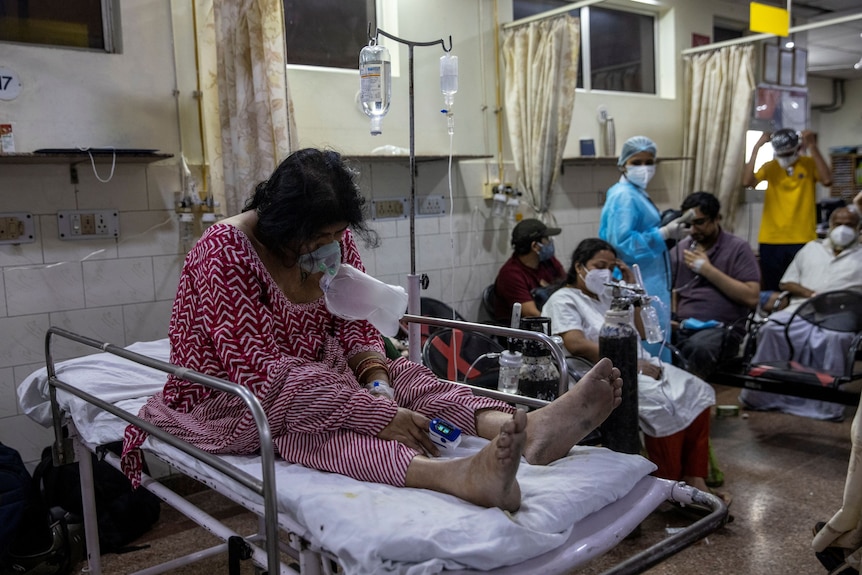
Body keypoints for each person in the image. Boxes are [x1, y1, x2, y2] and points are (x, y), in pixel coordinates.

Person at [120, 148, 624, 513]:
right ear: (283, 226)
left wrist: (377, 380)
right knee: (304, 428)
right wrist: (374, 416)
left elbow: (356, 323)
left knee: (411, 377)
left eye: (339, 235)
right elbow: (265, 379)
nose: (333, 249)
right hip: (230, 395)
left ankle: (529, 431)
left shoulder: (332, 239)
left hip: (320, 370)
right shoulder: (223, 253)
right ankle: (456, 475)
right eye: (320, 238)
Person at [542, 238, 718, 495]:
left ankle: (694, 476)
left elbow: (645, 332)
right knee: (663, 404)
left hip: (642, 364)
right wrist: (630, 364)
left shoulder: (609, 296)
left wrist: (633, 289)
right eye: (599, 265)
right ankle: (666, 487)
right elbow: (576, 344)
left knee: (697, 391)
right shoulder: (563, 300)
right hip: (603, 374)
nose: (605, 272)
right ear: (580, 267)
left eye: (610, 266)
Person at [739, 206, 862, 421]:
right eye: (838, 224)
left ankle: (826, 406)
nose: (843, 229)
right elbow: (786, 281)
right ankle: (761, 396)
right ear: (830, 226)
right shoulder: (811, 249)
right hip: (801, 308)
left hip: (841, 316)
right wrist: (809, 293)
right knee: (772, 328)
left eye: (849, 225)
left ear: (859, 228)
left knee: (835, 339)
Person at [599, 136, 693, 361]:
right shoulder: (623, 196)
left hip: (649, 279)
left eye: (648, 162)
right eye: (636, 162)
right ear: (623, 164)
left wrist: (670, 235)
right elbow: (622, 243)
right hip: (637, 279)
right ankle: (649, 390)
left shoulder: (636, 193)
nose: (644, 168)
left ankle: (661, 388)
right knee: (646, 341)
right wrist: (663, 234)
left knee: (656, 337)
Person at [670, 192, 761, 380]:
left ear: (717, 219)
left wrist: (707, 270)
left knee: (698, 348)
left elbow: (752, 298)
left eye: (700, 223)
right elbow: (673, 292)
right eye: (689, 224)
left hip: (722, 329)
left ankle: (692, 399)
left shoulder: (737, 249)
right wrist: (671, 319)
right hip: (683, 325)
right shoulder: (680, 250)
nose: (694, 230)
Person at [743, 129, 833, 291]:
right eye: (781, 155)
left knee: (804, 285)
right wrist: (757, 147)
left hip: (802, 237)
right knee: (772, 288)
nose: (784, 158)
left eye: (787, 154)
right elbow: (747, 182)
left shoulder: (808, 164)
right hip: (771, 239)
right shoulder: (770, 167)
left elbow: (827, 180)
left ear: (797, 148)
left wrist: (812, 146)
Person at [493, 218, 565, 324]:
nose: (550, 243)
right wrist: (563, 326)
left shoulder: (548, 262)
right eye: (547, 239)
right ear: (535, 246)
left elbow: (568, 287)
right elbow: (532, 314)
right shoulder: (511, 274)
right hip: (528, 333)